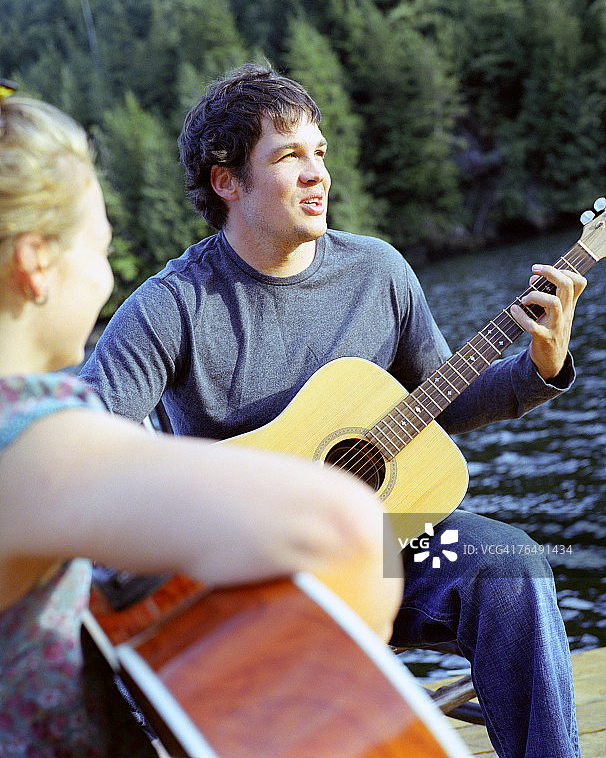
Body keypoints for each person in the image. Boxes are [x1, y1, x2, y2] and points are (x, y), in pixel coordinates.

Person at [80, 63, 587, 758]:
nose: (318, 172)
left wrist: (541, 367)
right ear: (226, 181)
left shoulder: (378, 269)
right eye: (289, 156)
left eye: (320, 152)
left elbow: (440, 397)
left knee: (509, 565)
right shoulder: (172, 306)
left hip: (382, 544)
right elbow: (81, 445)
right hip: (247, 583)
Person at [0, 91, 403, 756]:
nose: (107, 278)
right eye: (101, 251)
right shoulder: (34, 440)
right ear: (36, 265)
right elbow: (347, 529)